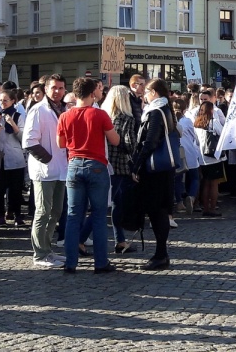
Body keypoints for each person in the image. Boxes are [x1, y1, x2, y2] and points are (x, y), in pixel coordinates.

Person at [56, 77, 119, 274]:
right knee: (99, 215)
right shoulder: (100, 115)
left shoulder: (65, 116)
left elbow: (60, 144)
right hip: (97, 165)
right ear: (93, 94)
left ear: (74, 95)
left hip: (74, 165)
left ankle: (70, 263)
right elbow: (115, 140)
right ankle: (100, 263)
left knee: (73, 215)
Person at [24, 74, 69, 268]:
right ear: (46, 89)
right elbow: (29, 141)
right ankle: (39, 254)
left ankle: (48, 249)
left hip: (61, 170)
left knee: (56, 211)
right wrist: (48, 159)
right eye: (53, 88)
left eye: (60, 88)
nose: (57, 91)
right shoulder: (39, 110)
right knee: (43, 212)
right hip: (44, 170)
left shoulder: (65, 110)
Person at [131, 78, 176, 270]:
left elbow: (150, 142)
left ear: (155, 93)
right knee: (160, 211)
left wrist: (137, 164)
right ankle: (161, 254)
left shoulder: (156, 112)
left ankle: (160, 254)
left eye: (147, 92)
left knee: (157, 212)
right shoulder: (165, 109)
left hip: (155, 170)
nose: (145, 95)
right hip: (163, 169)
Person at [100, 85, 139, 253]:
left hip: (104, 162)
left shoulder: (104, 115)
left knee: (114, 203)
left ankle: (120, 240)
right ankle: (81, 238)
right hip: (120, 165)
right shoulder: (126, 118)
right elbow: (130, 145)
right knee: (107, 205)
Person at [0, 90, 27, 227]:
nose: (2, 103)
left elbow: (23, 138)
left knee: (16, 189)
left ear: (13, 101)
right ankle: (1, 215)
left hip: (15, 158)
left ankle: (17, 214)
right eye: (0, 100)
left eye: (5, 100)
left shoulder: (18, 116)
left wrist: (13, 124)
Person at [193, 101, 225, 217]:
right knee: (214, 184)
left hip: (201, 157)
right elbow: (222, 134)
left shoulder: (196, 123)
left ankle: (205, 207)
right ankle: (212, 208)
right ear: (211, 111)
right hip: (213, 156)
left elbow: (195, 141)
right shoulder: (213, 122)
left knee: (205, 183)